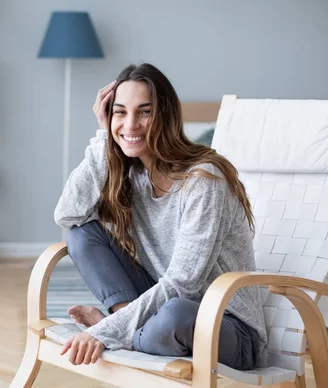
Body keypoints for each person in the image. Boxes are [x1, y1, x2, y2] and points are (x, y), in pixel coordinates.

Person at [54, 63, 267, 371]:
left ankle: (120, 328)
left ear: (165, 116)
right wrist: (103, 137)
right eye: (120, 112)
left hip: (224, 326)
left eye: (144, 111)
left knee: (175, 314)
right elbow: (68, 214)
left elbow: (184, 284)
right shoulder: (133, 175)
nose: (131, 124)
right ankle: (127, 326)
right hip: (160, 310)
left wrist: (104, 332)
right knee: (82, 233)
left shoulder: (204, 180)